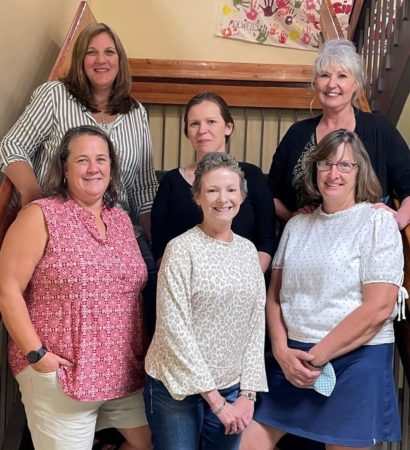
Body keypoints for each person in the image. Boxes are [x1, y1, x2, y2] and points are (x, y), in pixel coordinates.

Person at [240, 130, 405, 450]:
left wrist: (317, 357)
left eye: (345, 165)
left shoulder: (377, 223)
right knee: (244, 443)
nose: (334, 173)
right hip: (291, 358)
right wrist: (282, 351)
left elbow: (379, 308)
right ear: (315, 170)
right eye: (326, 164)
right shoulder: (297, 225)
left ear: (361, 171)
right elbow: (273, 297)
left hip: (355, 360)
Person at [0, 20, 158, 349]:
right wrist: (33, 197)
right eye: (91, 52)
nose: (101, 60)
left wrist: (157, 246)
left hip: (119, 233)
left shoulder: (136, 112)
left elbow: (143, 187)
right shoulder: (55, 96)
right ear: (80, 60)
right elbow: (12, 147)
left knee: (146, 313)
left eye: (109, 52)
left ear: (120, 60)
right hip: (61, 231)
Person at [0, 126, 151, 450]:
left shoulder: (122, 220)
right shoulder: (40, 215)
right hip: (61, 372)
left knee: (152, 443)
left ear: (111, 167)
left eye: (101, 159)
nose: (93, 168)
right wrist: (36, 354)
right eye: (82, 160)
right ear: (65, 169)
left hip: (122, 373)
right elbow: (7, 289)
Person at [144, 152, 268, 450]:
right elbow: (175, 330)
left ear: (242, 195)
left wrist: (247, 395)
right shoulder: (180, 250)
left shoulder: (248, 251)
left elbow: (255, 323)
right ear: (197, 197)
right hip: (176, 387)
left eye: (230, 190)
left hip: (231, 387)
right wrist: (216, 402)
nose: (222, 199)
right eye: (212, 190)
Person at [269, 38, 410, 230]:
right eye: (324, 75)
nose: (331, 84)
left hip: (364, 239)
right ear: (315, 83)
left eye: (342, 76)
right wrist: (293, 219)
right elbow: (270, 192)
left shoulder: (380, 129)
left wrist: (398, 221)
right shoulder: (297, 133)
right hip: (306, 238)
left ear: (356, 85)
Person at [151, 91, 275, 272]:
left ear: (228, 127)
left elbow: (266, 241)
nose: (202, 130)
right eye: (194, 124)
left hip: (244, 282)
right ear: (187, 132)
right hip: (187, 284)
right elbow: (160, 247)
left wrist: (245, 282)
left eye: (211, 121)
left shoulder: (252, 176)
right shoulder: (171, 183)